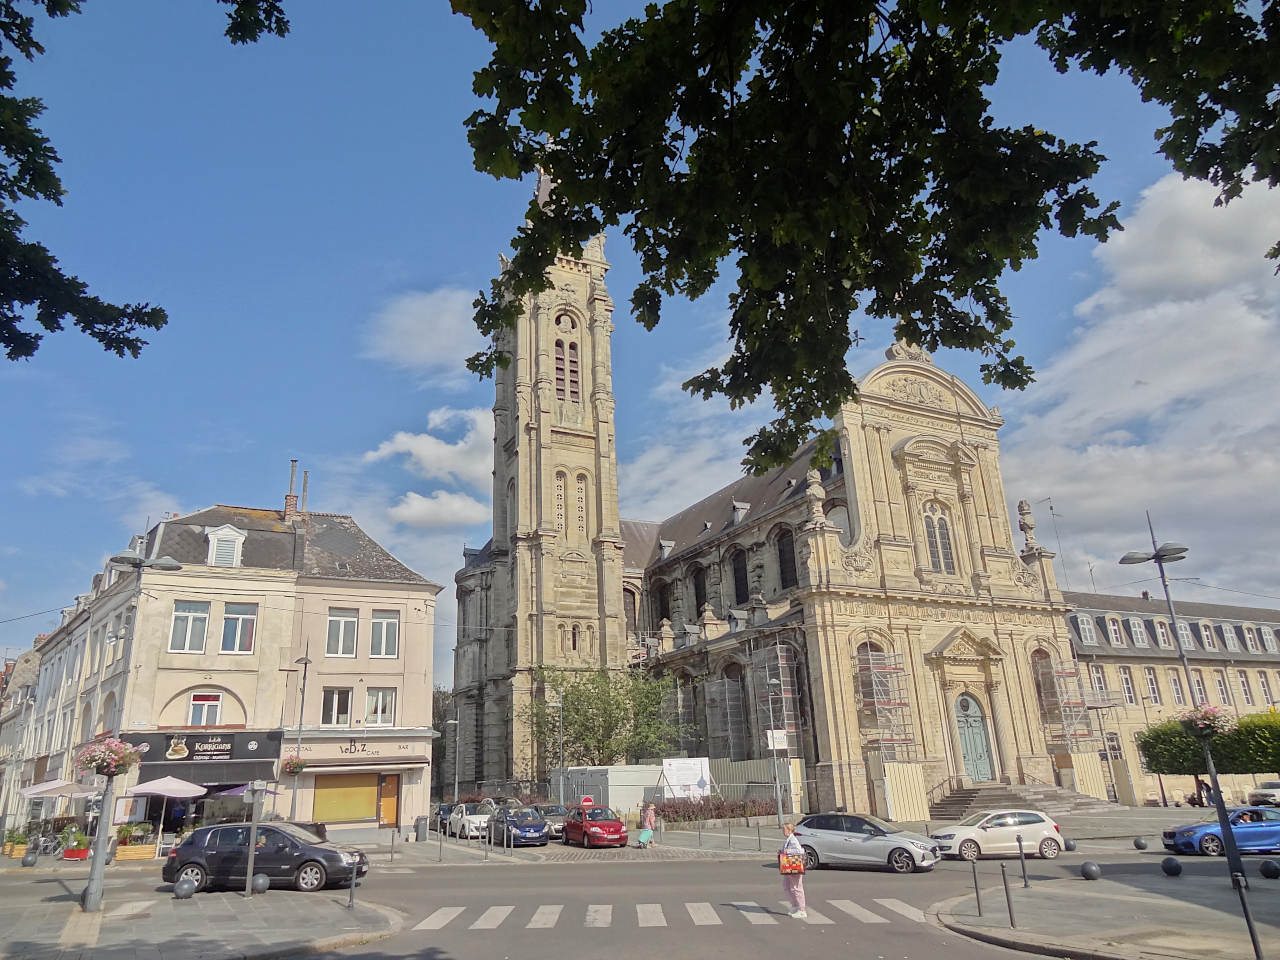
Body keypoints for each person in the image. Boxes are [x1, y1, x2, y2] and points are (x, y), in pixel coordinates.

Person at [779, 822, 806, 919]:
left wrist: (787, 851)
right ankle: (795, 905)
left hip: (794, 866)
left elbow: (800, 850)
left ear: (789, 830)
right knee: (786, 886)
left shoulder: (793, 839)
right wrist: (781, 851)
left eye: (784, 829)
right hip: (788, 867)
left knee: (797, 887)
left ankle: (802, 910)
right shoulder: (789, 839)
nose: (783, 831)